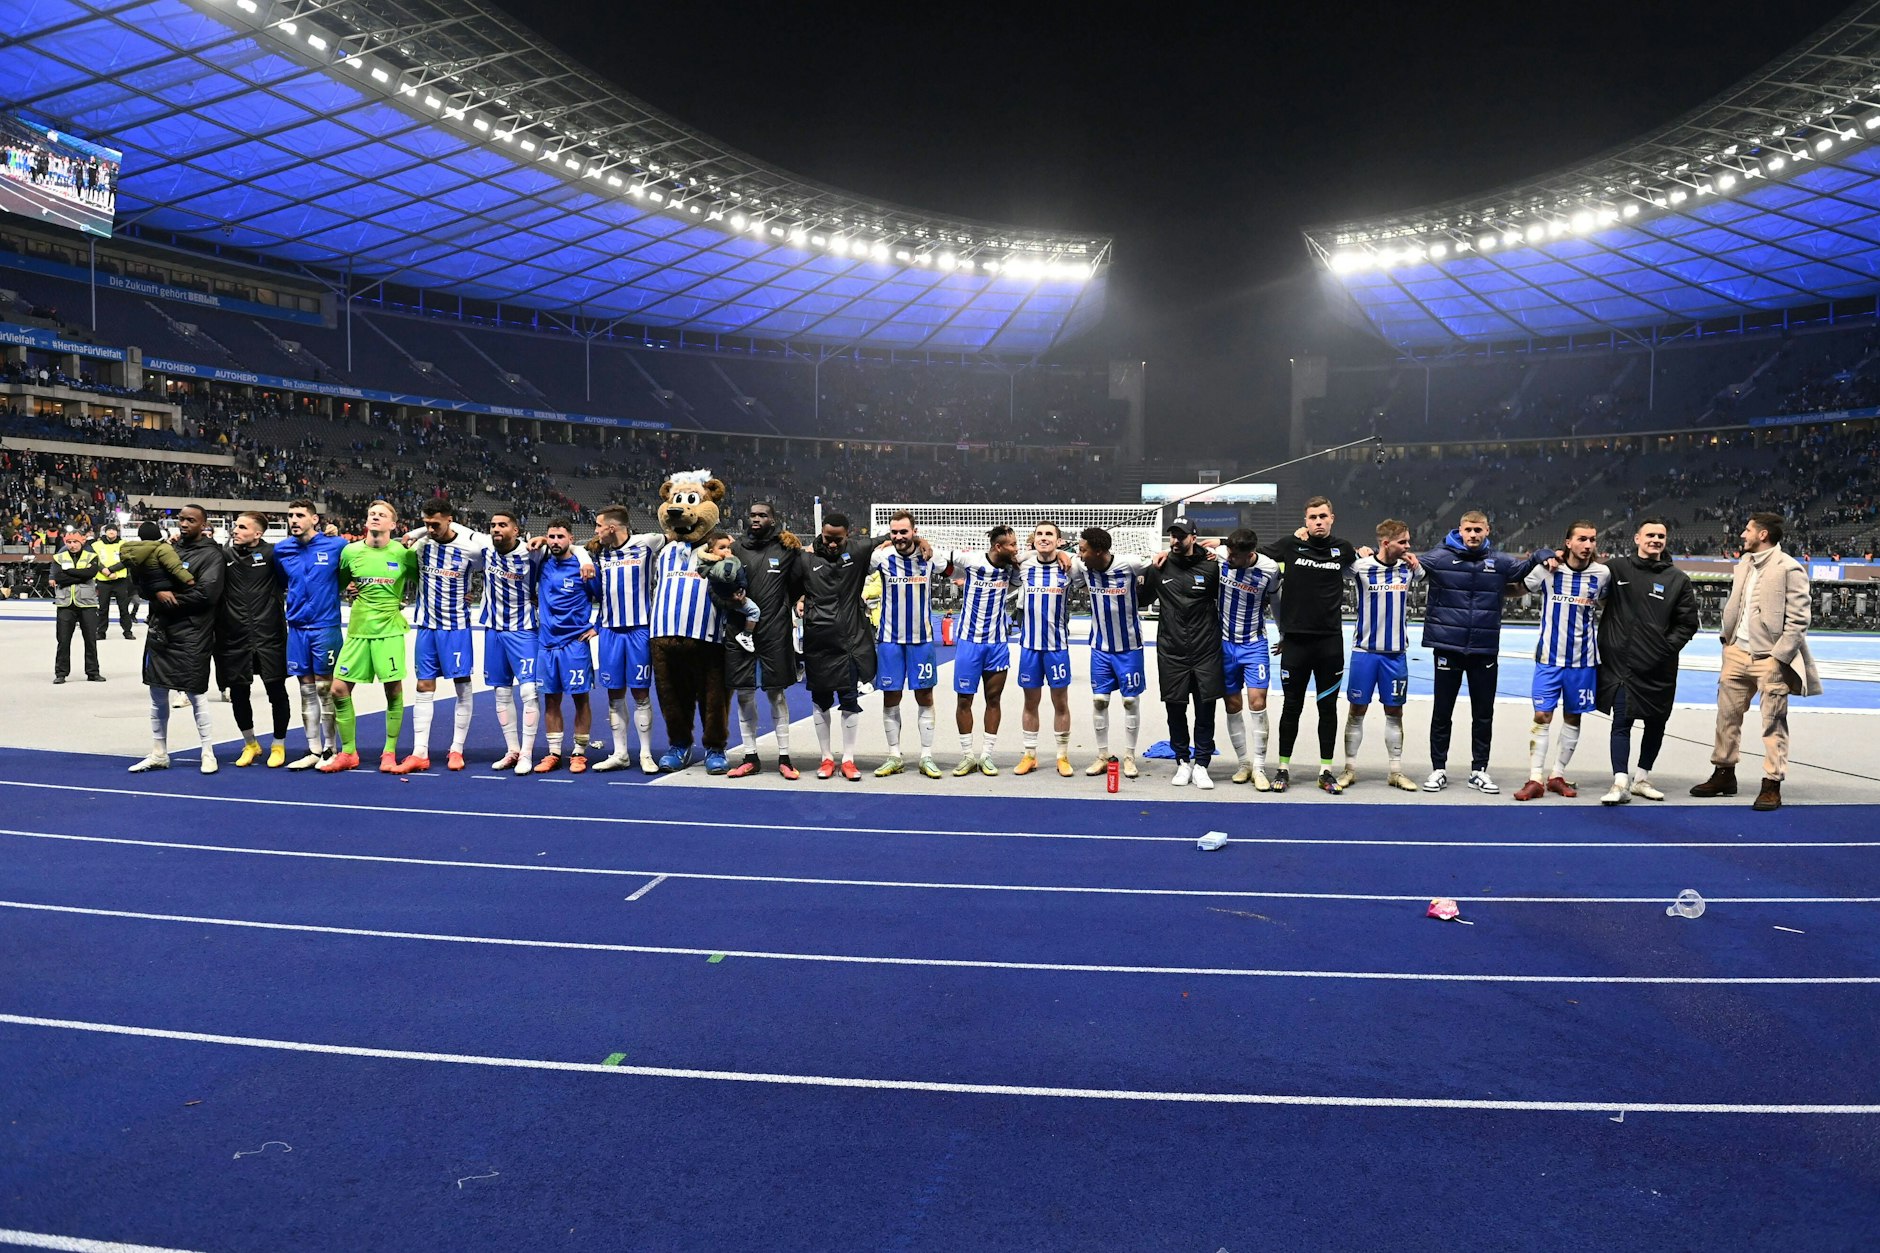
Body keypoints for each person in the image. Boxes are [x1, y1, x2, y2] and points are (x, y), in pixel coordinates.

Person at [1692, 512, 1822, 812]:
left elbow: (1799, 620)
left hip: (1770, 658)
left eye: (1747, 530)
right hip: (1736, 654)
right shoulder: (1744, 566)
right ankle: (1724, 773)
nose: (1742, 535)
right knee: (1726, 718)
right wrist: (1728, 643)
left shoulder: (1789, 568)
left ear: (1762, 535)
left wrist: (1780, 658)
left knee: (1773, 722)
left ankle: (1772, 783)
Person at [1417, 509, 1552, 794]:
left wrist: (1543, 553)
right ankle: (1438, 769)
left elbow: (1527, 567)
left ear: (1487, 531)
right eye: (1469, 530)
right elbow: (1406, 562)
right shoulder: (1439, 558)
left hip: (1484, 649)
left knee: (1483, 714)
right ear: (1460, 530)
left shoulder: (1500, 562)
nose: (1474, 535)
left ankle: (1479, 770)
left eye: (1479, 530)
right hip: (1448, 647)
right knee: (1442, 712)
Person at [1596, 518, 1699, 806]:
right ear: (1637, 539)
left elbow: (1687, 623)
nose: (1656, 539)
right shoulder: (1616, 568)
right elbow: (1582, 566)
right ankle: (1620, 781)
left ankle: (1641, 778)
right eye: (1650, 535)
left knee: (1656, 723)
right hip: (1621, 666)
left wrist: (1664, 649)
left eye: (1661, 536)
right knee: (1622, 721)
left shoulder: (1677, 579)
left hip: (1659, 666)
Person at [1261, 497, 1359, 793]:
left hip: (1329, 643)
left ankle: (1326, 771)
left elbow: (1366, 562)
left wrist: (1369, 551)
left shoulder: (1343, 549)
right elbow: (1250, 552)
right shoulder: (1289, 546)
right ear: (1305, 521)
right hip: (1296, 643)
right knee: (1291, 708)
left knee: (1327, 709)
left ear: (1332, 518)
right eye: (1313, 517)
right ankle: (1282, 768)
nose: (1318, 521)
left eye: (1323, 516)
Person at [1514, 521, 1611, 801]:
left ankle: (1557, 775)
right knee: (1542, 715)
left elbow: (1607, 603)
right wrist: (1542, 557)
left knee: (1573, 716)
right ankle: (1534, 779)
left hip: (1583, 661)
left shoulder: (1602, 573)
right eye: (1582, 539)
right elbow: (1520, 587)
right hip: (1548, 658)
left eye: (1592, 539)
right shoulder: (1549, 569)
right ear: (1568, 543)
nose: (1588, 545)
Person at [320, 500, 417, 773]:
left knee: (393, 690)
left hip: (389, 631)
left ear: (392, 525)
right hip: (358, 631)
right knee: (338, 689)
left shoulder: (402, 553)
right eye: (372, 514)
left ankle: (389, 752)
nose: (375, 517)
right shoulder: (351, 552)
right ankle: (349, 752)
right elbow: (337, 585)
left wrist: (403, 600)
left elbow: (422, 582)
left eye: (382, 515)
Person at [399, 497, 492, 772]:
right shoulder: (421, 547)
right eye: (425, 524)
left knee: (462, 686)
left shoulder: (470, 550)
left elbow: (496, 562)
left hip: (456, 628)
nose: (429, 529)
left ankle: (456, 750)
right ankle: (420, 752)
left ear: (450, 519)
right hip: (426, 627)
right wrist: (417, 533)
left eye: (435, 524)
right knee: (423, 686)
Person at [130, 505, 226, 774]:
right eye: (181, 519)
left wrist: (166, 598)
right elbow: (144, 582)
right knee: (157, 692)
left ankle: (208, 752)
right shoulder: (167, 549)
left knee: (196, 693)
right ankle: (159, 752)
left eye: (191, 520)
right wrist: (154, 592)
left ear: (203, 524)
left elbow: (207, 594)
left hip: (194, 632)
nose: (184, 524)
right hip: (161, 629)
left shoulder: (211, 555)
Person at [797, 512, 891, 780]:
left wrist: (919, 542)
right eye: (828, 539)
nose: (833, 544)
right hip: (818, 641)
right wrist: (799, 601)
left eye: (838, 539)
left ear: (847, 535)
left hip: (850, 640)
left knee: (849, 699)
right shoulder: (805, 558)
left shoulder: (859, 551)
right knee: (820, 700)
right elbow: (789, 587)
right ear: (821, 534)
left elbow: (891, 539)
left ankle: (848, 760)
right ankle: (826, 758)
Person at [724, 501, 803, 780]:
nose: (756, 519)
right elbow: (718, 584)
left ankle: (784, 757)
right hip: (739, 631)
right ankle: (750, 756)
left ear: (773, 519)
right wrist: (728, 598)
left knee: (776, 693)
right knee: (744, 693)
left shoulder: (786, 549)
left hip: (774, 632)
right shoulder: (735, 549)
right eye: (753, 515)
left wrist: (783, 609)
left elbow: (797, 585)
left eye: (762, 515)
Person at [1340, 519, 1421, 791]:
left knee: (1395, 711)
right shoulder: (1360, 567)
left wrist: (1415, 560)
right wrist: (1355, 551)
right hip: (1364, 652)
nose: (1409, 546)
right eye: (1403, 542)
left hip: (1396, 654)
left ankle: (1395, 771)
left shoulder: (1409, 568)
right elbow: (1333, 563)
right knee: (1357, 710)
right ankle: (1349, 768)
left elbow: (1432, 568)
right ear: (1386, 543)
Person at [1145, 518, 1223, 788]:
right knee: (1175, 711)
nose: (1175, 541)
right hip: (1172, 652)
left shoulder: (1212, 567)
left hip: (1206, 651)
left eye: (1180, 536)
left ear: (1194, 537)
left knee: (1205, 711)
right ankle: (1182, 761)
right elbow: (1137, 592)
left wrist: (1221, 546)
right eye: (1172, 537)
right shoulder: (1159, 567)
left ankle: (1201, 763)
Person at [272, 499, 348, 770]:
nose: (293, 520)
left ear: (315, 519)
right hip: (297, 628)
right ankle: (313, 749)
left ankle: (331, 748)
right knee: (305, 690)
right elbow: (283, 581)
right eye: (290, 515)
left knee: (324, 688)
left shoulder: (336, 545)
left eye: (300, 515)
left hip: (325, 626)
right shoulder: (282, 549)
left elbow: (351, 572)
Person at [588, 505, 663, 774]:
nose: (595, 531)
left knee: (641, 693)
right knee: (614, 693)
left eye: (599, 526)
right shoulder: (599, 555)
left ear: (612, 527)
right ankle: (620, 753)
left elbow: (678, 534)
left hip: (640, 629)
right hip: (609, 632)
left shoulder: (646, 543)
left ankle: (645, 753)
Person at [872, 510, 947, 779]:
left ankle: (926, 756)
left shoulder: (930, 557)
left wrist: (925, 542)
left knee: (925, 697)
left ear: (914, 531)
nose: (899, 536)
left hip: (921, 640)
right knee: (891, 696)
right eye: (894, 532)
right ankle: (894, 755)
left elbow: (952, 569)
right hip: (890, 640)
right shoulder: (881, 556)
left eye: (904, 531)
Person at [217, 511, 290, 768]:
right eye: (235, 526)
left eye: (242, 527)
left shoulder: (273, 554)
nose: (235, 530)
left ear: (257, 533)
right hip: (235, 637)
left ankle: (279, 745)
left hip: (269, 634)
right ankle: (250, 744)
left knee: (276, 692)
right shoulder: (224, 555)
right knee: (238, 693)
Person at [949, 524, 1022, 777]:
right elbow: (940, 556)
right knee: (964, 700)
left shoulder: (1012, 569)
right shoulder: (972, 560)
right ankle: (967, 756)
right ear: (997, 547)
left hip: (997, 642)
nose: (1016, 548)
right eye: (1011, 545)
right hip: (969, 642)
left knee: (994, 699)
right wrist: (922, 543)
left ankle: (987, 755)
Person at [531, 517, 601, 773]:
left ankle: (579, 753)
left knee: (580, 699)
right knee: (551, 700)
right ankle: (553, 753)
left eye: (561, 537)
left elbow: (605, 598)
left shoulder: (585, 567)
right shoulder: (543, 564)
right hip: (547, 643)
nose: (555, 541)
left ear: (571, 538)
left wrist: (598, 626)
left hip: (575, 644)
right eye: (551, 537)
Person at [479, 510, 545, 774]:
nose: (496, 529)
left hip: (524, 630)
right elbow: (453, 529)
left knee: (529, 692)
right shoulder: (483, 547)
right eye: (493, 524)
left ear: (516, 530)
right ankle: (512, 750)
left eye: (503, 525)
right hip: (493, 630)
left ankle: (528, 754)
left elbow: (570, 547)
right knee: (501, 692)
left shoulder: (533, 552)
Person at [1077, 526, 1146, 778]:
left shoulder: (1130, 564)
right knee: (1099, 701)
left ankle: (1129, 756)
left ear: (1099, 551)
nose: (1079, 553)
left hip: (1129, 647)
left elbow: (1157, 565)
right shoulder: (1082, 566)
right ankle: (1102, 755)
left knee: (1130, 701)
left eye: (1083, 549)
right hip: (1100, 647)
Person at [1014, 522, 1081, 778]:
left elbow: (1085, 561)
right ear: (1033, 539)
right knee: (1030, 703)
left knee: (1060, 702)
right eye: (1040, 534)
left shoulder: (1069, 567)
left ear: (1059, 540)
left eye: (1049, 535)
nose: (1044, 538)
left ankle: (1062, 756)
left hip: (1057, 648)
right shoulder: (1023, 565)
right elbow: (1009, 557)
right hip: (1029, 647)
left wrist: (1066, 554)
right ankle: (1030, 755)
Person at [1218, 528, 1280, 788]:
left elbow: (1276, 599)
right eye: (1229, 553)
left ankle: (1259, 767)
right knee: (1232, 704)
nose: (1230, 558)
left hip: (1254, 644)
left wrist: (1284, 632)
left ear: (1250, 554)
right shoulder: (1220, 556)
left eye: (1235, 556)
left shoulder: (1269, 569)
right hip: (1223, 644)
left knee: (1257, 702)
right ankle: (1243, 763)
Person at [51, 527, 104, 685]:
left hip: (87, 604)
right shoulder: (58, 557)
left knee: (90, 639)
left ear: (82, 541)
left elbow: (91, 574)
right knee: (63, 640)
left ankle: (93, 672)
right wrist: (80, 575)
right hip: (65, 604)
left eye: (75, 541)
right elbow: (59, 577)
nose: (72, 545)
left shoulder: (91, 556)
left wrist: (69, 573)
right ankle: (61, 673)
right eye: (69, 542)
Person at [91, 523, 139, 638]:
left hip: (120, 580)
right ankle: (101, 632)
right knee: (103, 608)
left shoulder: (124, 544)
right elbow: (93, 560)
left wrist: (111, 570)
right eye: (109, 530)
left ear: (117, 532)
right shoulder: (96, 545)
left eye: (114, 530)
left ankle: (127, 631)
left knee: (123, 608)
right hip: (103, 580)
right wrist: (104, 571)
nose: (111, 532)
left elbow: (127, 560)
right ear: (105, 532)